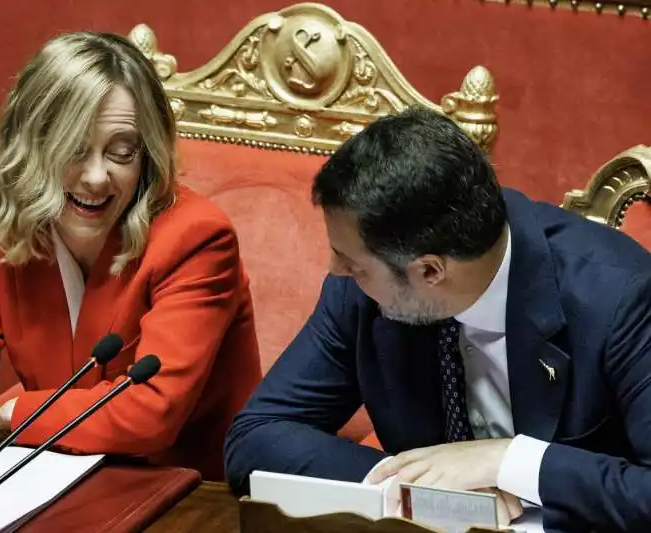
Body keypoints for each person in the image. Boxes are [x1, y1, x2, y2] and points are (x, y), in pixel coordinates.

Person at [224, 106, 651, 531]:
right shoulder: (358, 293)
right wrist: (425, 490)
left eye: (354, 264)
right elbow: (256, 436)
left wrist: (508, 461)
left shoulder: (620, 298)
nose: (337, 270)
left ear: (430, 271)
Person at [0, 31, 261, 481]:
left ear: (146, 154)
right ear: (31, 144)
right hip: (50, 475)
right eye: (73, 149)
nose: (95, 177)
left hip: (179, 488)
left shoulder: (196, 238)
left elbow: (150, 410)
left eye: (121, 152)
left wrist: (13, 414)